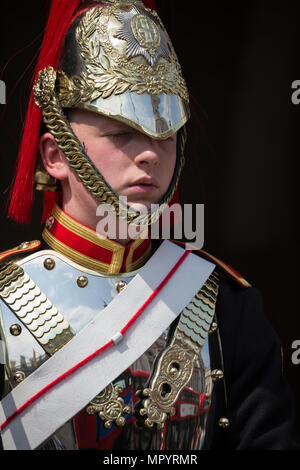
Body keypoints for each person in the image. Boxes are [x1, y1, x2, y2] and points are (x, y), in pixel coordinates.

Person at [0, 0, 298, 451]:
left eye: (166, 135)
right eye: (122, 134)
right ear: (55, 155)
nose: (151, 155)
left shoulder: (229, 307)